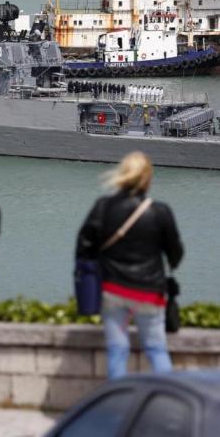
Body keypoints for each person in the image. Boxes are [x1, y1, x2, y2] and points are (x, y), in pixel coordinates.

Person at [75, 152, 183, 380]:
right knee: (156, 349)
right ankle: (167, 406)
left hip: (113, 290)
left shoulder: (103, 207)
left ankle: (118, 407)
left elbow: (85, 247)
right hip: (149, 293)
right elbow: (176, 254)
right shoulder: (159, 211)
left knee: (117, 350)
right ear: (147, 179)